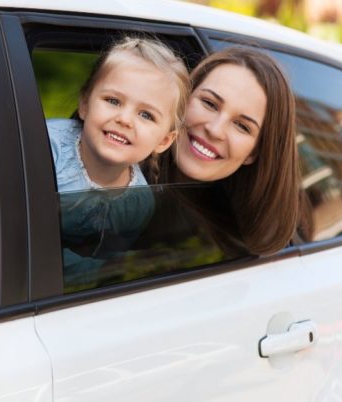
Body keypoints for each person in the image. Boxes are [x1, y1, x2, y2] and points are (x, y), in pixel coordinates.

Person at [46, 36, 190, 288]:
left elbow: (106, 265)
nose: (125, 119)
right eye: (113, 101)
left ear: (164, 141)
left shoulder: (138, 203)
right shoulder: (46, 148)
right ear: (84, 104)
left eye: (146, 115)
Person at [160, 46, 301, 255]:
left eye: (242, 126)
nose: (215, 130)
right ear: (183, 98)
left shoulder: (237, 246)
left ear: (254, 153)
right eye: (209, 103)